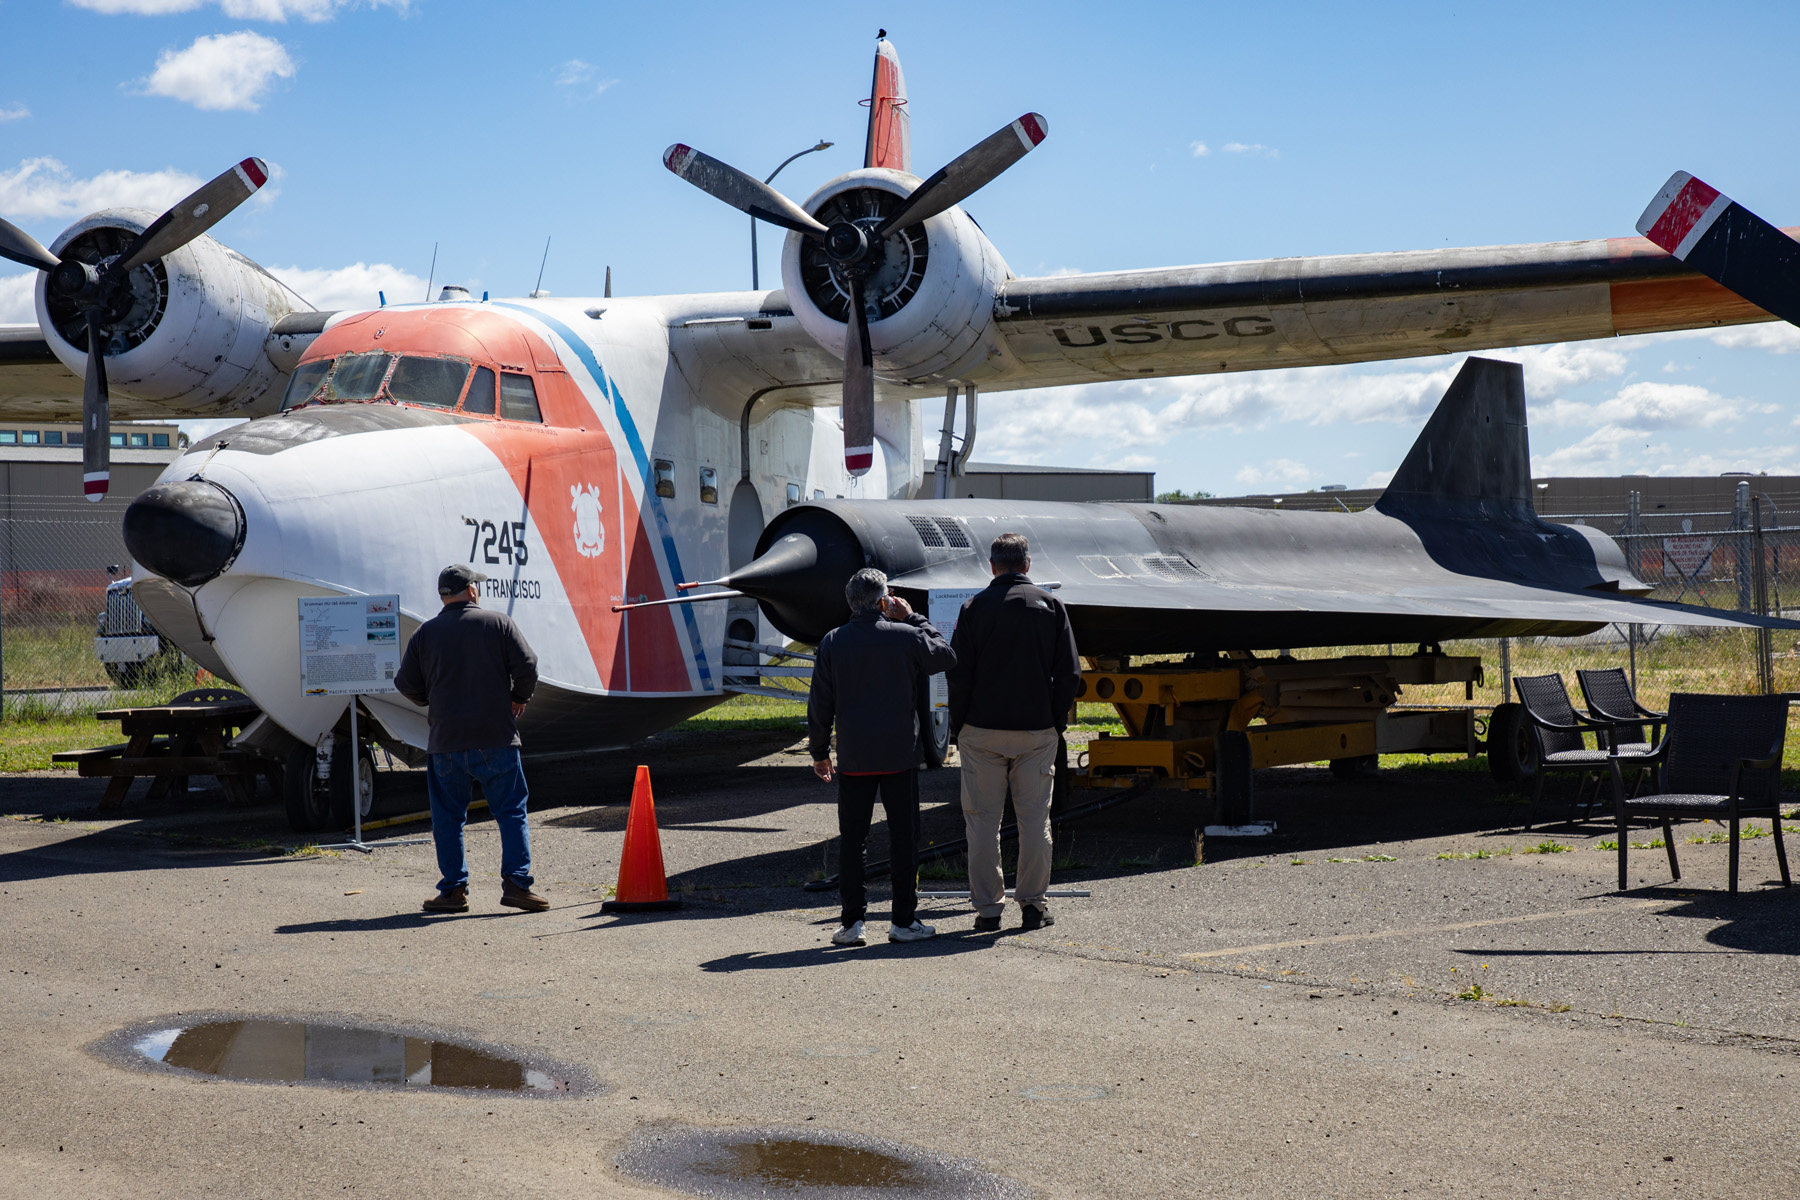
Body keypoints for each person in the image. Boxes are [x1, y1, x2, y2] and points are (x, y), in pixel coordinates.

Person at [808, 567, 957, 946]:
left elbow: (820, 703)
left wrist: (820, 751)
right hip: (898, 755)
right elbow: (945, 655)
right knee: (903, 838)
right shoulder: (906, 637)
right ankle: (903, 920)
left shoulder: (832, 641)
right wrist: (911, 616)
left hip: (855, 756)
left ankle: (852, 922)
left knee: (852, 840)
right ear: (883, 601)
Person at [947, 533, 1080, 933]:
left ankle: (988, 910)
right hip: (1036, 730)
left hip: (982, 730)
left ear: (992, 566)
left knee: (982, 821)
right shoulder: (1052, 606)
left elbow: (959, 674)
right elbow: (1071, 673)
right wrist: (1055, 720)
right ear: (1027, 564)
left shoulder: (973, 608)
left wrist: (960, 727)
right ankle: (1033, 907)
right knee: (1034, 819)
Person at [395, 563, 546, 914]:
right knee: (511, 812)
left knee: (448, 818)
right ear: (472, 591)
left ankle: (453, 891)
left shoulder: (424, 634)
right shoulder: (498, 624)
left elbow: (405, 684)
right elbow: (528, 666)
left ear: (444, 596)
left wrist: (429, 699)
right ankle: (517, 886)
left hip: (445, 741)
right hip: (495, 738)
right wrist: (519, 697)